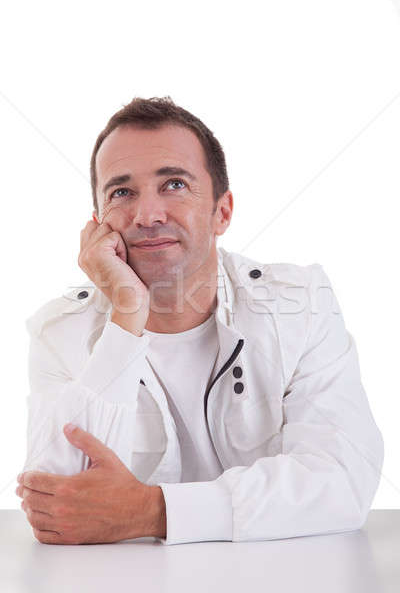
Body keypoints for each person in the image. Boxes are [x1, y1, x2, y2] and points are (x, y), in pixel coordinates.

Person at [16, 96, 384, 546]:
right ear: (97, 226)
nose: (147, 215)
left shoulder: (302, 306)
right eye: (122, 192)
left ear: (221, 211)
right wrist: (126, 314)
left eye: (173, 184)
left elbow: (343, 480)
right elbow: (56, 506)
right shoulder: (59, 332)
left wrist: (152, 511)